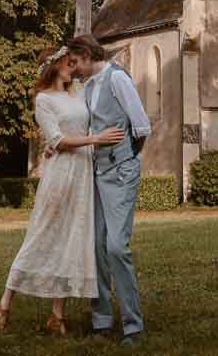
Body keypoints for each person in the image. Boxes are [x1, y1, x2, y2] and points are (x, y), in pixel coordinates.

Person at [0, 45, 124, 335]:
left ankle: (57, 315)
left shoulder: (78, 91)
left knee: (72, 238)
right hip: (61, 174)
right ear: (53, 67)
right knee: (41, 236)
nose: (72, 66)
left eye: (73, 62)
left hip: (83, 176)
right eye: (67, 62)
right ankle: (4, 304)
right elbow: (57, 140)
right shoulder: (44, 100)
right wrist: (95, 139)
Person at [66, 33, 151, 346]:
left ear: (87, 54)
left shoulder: (118, 80)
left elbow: (141, 128)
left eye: (75, 62)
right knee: (96, 247)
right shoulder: (87, 86)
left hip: (121, 171)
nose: (73, 69)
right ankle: (101, 320)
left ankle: (134, 327)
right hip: (96, 174)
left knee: (116, 247)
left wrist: (125, 158)